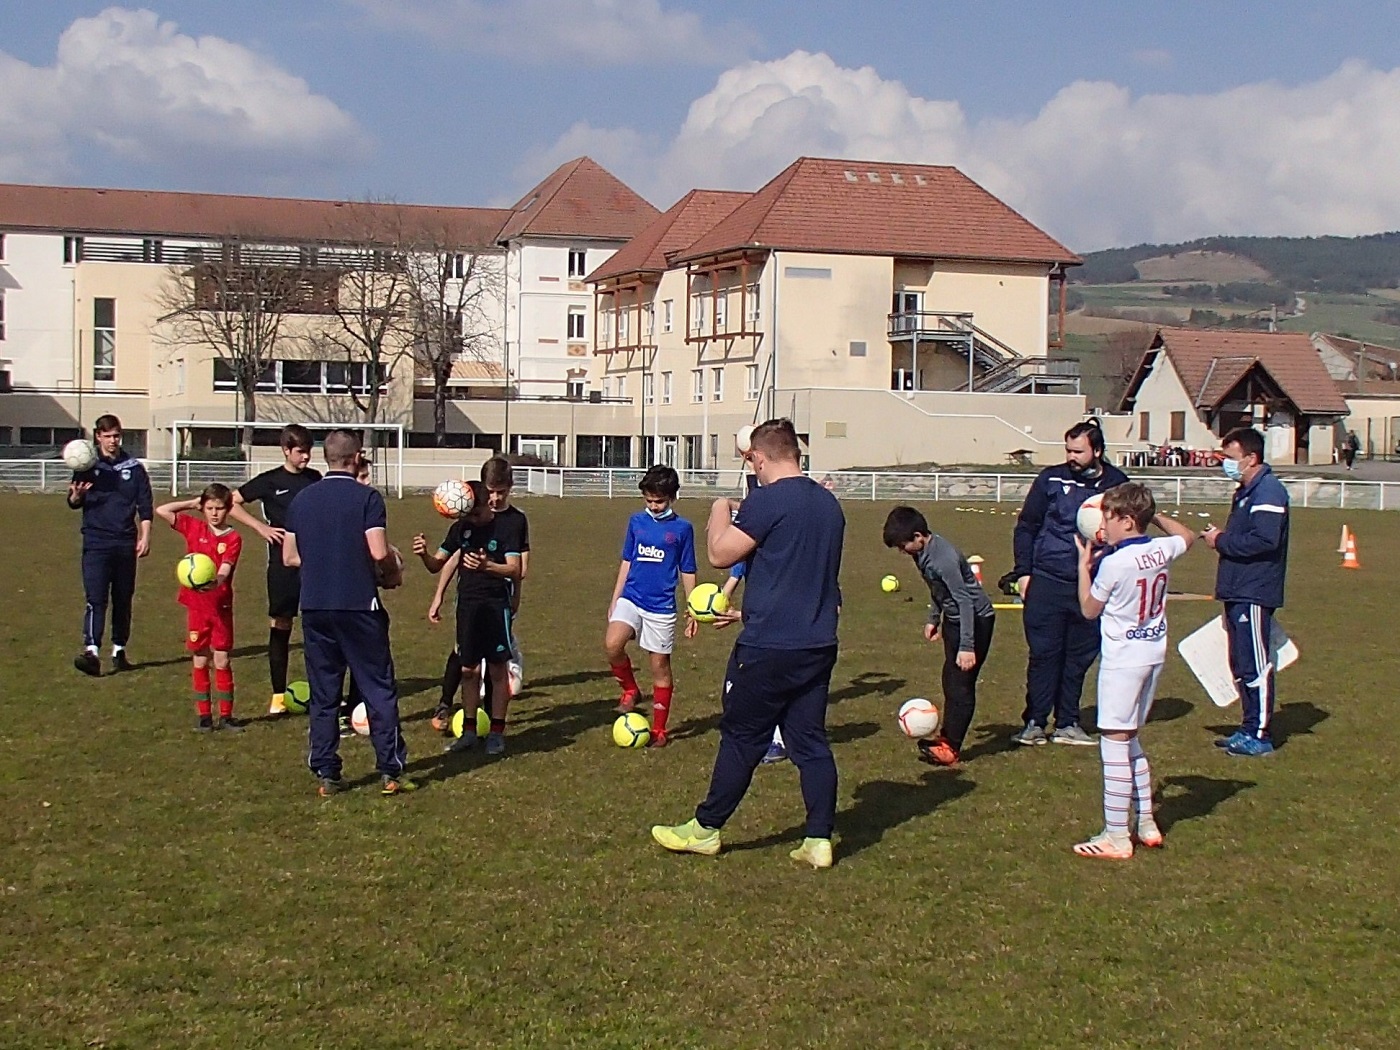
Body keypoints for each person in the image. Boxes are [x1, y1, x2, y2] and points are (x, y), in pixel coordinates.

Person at [652, 419, 845, 869]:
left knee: (741, 737)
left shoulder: (767, 500)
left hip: (768, 648)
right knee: (810, 741)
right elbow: (797, 571)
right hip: (817, 643)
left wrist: (721, 506)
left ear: (758, 458)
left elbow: (720, 553)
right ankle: (819, 838)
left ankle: (705, 829)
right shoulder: (828, 504)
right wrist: (747, 611)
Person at [282, 429, 411, 796]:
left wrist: (324, 559)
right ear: (357, 458)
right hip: (357, 604)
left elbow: (289, 557)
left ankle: (326, 771)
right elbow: (378, 551)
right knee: (377, 687)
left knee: (324, 692)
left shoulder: (303, 499)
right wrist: (392, 571)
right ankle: (390, 770)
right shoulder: (367, 498)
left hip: (315, 605)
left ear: (326, 458)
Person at [1072, 482, 1195, 859]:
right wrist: (1153, 516)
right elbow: (1187, 536)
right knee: (1130, 740)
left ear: (1127, 521)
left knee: (1113, 744)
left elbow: (1089, 610)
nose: (1102, 525)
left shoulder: (1114, 563)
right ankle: (1146, 823)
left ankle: (1116, 836)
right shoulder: (1161, 548)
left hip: (1123, 660)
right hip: (1152, 653)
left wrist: (1083, 569)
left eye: (1108, 517)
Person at [1010, 419, 1129, 746]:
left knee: (1078, 657)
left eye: (1078, 451)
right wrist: (1024, 572)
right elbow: (1026, 526)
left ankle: (1068, 722)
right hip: (1048, 579)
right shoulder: (1050, 479)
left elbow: (1128, 533)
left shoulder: (1118, 484)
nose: (1071, 457)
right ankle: (1034, 722)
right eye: (1068, 450)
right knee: (1043, 654)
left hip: (1093, 586)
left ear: (1098, 451)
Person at [421, 456, 530, 733]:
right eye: (490, 491)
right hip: (468, 601)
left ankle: (494, 725)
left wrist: (512, 592)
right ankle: (451, 708)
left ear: (510, 487)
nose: (495, 498)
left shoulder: (513, 522)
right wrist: (438, 592)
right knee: (464, 661)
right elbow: (448, 561)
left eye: (501, 492)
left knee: (495, 666)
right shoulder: (465, 523)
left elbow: (519, 568)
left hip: (497, 602)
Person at [883, 506, 996, 767]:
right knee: (950, 680)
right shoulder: (922, 553)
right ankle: (946, 739)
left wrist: (967, 646)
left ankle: (951, 748)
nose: (902, 551)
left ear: (919, 536)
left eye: (903, 545)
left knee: (961, 684)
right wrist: (934, 618)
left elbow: (965, 601)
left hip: (975, 620)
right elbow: (938, 589)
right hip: (955, 620)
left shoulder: (943, 558)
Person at [1201, 427, 1290, 757]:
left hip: (1254, 589)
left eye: (1230, 457)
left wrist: (1221, 541)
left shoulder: (1268, 491)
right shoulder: (1245, 491)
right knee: (1239, 662)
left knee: (1255, 663)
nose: (1225, 463)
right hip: (1236, 588)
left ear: (1251, 458)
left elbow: (1265, 540)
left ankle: (1260, 733)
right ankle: (1247, 726)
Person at [228, 424, 321, 716]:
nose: (306, 457)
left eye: (308, 451)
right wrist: (260, 527)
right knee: (281, 625)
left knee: (317, 627)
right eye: (300, 452)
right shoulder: (270, 481)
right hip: (281, 565)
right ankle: (278, 695)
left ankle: (321, 692)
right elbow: (231, 502)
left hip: (314, 563)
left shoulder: (315, 479)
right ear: (286, 450)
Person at [602, 465, 699, 748]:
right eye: (649, 500)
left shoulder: (682, 529)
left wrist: (693, 608)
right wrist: (615, 598)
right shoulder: (636, 522)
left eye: (659, 501)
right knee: (612, 644)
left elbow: (688, 569)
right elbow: (627, 560)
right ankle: (630, 690)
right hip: (632, 597)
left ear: (673, 497)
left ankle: (659, 729)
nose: (654, 506)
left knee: (660, 666)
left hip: (661, 607)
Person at [69, 414, 153, 676]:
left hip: (125, 542)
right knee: (96, 598)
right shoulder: (86, 465)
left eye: (116, 436)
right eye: (107, 436)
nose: (113, 441)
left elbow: (145, 506)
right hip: (96, 542)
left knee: (123, 598)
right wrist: (77, 496)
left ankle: (119, 650)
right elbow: (73, 502)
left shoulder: (134, 468)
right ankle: (92, 651)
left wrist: (145, 536)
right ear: (98, 437)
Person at [156, 485, 244, 732]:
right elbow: (162, 510)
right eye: (209, 508)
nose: (214, 513)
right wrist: (190, 503)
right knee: (200, 658)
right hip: (196, 606)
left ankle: (226, 716)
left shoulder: (233, 538)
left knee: (222, 659)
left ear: (228, 509)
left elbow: (226, 566)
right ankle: (204, 716)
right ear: (203, 508)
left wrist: (217, 580)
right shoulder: (194, 527)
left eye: (220, 509)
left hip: (220, 605)